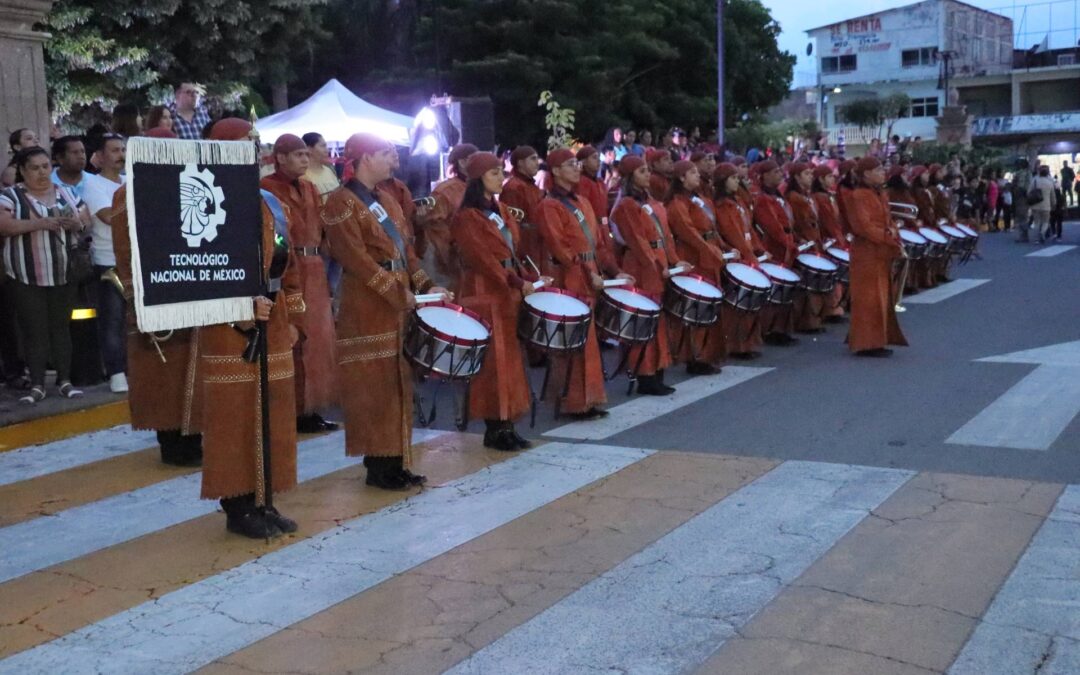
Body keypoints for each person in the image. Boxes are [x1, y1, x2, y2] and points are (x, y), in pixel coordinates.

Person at [321, 132, 447, 488]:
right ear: (363, 158)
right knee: (372, 385)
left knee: (397, 383)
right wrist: (395, 291)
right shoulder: (339, 204)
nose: (393, 160)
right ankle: (379, 466)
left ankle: (397, 460)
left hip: (396, 303)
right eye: (385, 154)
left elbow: (407, 254)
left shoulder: (389, 200)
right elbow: (355, 260)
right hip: (365, 306)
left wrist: (425, 285)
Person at [199, 118, 305, 537]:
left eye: (256, 143)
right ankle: (237, 505)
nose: (255, 150)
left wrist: (293, 315)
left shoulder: (267, 201)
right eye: (247, 143)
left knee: (274, 411)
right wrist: (242, 309)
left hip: (273, 317)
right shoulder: (204, 195)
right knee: (235, 417)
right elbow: (200, 268)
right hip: (228, 325)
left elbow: (288, 261)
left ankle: (265, 498)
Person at [109, 127, 203, 465]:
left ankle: (192, 437)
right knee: (162, 371)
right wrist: (138, 296)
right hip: (153, 293)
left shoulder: (184, 184)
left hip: (185, 288)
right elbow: (125, 251)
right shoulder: (128, 193)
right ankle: (173, 443)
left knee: (188, 369)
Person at [451, 151, 541, 449]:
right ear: (478, 179)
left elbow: (509, 254)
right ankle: (495, 426)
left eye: (501, 171)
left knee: (510, 360)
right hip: (484, 293)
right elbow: (482, 259)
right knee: (493, 363)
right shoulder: (467, 217)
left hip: (504, 292)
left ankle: (507, 423)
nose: (501, 177)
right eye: (494, 173)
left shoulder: (499, 210)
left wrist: (527, 275)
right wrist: (516, 280)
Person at [536, 148, 631, 419]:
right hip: (571, 279)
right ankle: (572, 402)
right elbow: (561, 248)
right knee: (573, 341)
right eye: (570, 164)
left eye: (577, 163)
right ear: (555, 171)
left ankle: (587, 400)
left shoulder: (583, 202)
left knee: (586, 341)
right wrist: (590, 272)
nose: (577, 168)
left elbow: (600, 243)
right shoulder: (549, 206)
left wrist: (614, 270)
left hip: (588, 276)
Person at [260, 134, 339, 433]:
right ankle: (291, 409)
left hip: (315, 266)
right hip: (288, 266)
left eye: (306, 155)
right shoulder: (267, 188)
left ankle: (310, 408)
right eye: (298, 155)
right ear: (280, 157)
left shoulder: (309, 187)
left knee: (317, 340)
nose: (305, 160)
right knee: (293, 337)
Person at [0, 147, 90, 403]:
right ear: (23, 171)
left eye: (45, 167)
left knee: (61, 327)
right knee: (34, 330)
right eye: (35, 168)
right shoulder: (11, 196)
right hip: (26, 275)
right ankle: (37, 384)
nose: (42, 172)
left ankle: (65, 380)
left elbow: (86, 220)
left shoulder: (67, 192)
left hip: (64, 273)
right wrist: (39, 224)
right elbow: (3, 225)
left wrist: (77, 224)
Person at [610, 155, 691, 395]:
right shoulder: (626, 205)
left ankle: (657, 370)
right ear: (630, 176)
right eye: (642, 171)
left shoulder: (651, 202)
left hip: (657, 265)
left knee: (656, 321)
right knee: (643, 321)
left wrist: (675, 260)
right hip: (641, 267)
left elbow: (665, 236)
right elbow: (637, 241)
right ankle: (645, 374)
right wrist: (657, 265)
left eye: (647, 170)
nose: (647, 175)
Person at [665, 160, 726, 374]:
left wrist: (722, 247)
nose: (697, 175)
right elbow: (689, 233)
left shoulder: (699, 199)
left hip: (709, 254)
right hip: (694, 258)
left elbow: (712, 228)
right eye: (692, 173)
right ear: (681, 178)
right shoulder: (677, 204)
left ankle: (708, 354)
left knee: (709, 307)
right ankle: (696, 356)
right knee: (697, 308)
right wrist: (711, 250)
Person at [82, 133, 128, 393]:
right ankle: (116, 372)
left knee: (133, 320)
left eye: (122, 149)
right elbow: (110, 217)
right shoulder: (93, 184)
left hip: (135, 259)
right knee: (112, 319)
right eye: (114, 150)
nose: (120, 154)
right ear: (99, 157)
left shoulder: (130, 180)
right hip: (108, 259)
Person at [847, 157, 907, 357]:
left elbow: (887, 220)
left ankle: (876, 340)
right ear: (866, 174)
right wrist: (888, 237)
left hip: (879, 252)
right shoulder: (859, 196)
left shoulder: (879, 193)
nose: (883, 173)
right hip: (866, 253)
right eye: (878, 169)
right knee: (868, 299)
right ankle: (866, 343)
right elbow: (864, 227)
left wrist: (893, 236)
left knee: (880, 297)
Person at [713, 162, 766, 358]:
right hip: (738, 257)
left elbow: (748, 228)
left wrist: (758, 248)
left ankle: (749, 342)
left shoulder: (737, 202)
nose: (737, 181)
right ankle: (737, 345)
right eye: (733, 178)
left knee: (749, 304)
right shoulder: (722, 205)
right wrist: (747, 252)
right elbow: (731, 232)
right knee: (737, 305)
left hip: (747, 253)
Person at [417, 143, 476, 287]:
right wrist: (454, 253)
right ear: (462, 162)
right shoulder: (446, 191)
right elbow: (434, 229)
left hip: (465, 262)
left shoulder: (474, 189)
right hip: (444, 264)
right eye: (475, 159)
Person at [752, 160, 798, 346]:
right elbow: (771, 226)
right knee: (775, 289)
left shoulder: (779, 196)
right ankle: (771, 329)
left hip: (786, 245)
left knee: (785, 290)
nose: (780, 174)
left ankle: (782, 328)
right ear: (764, 176)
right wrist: (788, 242)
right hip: (775, 247)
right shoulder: (763, 199)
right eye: (775, 171)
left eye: (780, 171)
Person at [786, 162, 828, 333]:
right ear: (796, 177)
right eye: (806, 174)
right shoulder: (794, 197)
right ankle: (806, 321)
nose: (811, 177)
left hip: (813, 240)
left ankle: (814, 319)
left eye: (811, 174)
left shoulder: (807, 196)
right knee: (806, 284)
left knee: (813, 282)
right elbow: (797, 223)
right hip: (805, 243)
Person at [500, 145, 545, 268]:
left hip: (536, 246)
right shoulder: (513, 188)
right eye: (533, 159)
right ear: (520, 163)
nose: (537, 163)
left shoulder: (532, 187)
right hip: (525, 249)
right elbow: (512, 224)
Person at [302, 132, 340, 204]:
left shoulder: (329, 170)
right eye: (323, 146)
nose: (327, 150)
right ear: (309, 149)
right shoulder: (303, 177)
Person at [1029, 164, 1056, 244]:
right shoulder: (1050, 182)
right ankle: (1042, 232)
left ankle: (1037, 238)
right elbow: (1052, 195)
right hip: (1046, 205)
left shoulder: (1035, 180)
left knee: (1037, 222)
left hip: (1035, 204)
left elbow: (1029, 191)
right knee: (1045, 222)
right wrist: (1054, 204)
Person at [1012, 159, 1033, 242]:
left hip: (1021, 194)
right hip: (1023, 195)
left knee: (1021, 216)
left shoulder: (1021, 173)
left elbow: (1016, 183)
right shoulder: (1028, 173)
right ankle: (1024, 234)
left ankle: (1023, 235)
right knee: (1023, 215)